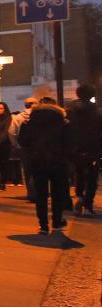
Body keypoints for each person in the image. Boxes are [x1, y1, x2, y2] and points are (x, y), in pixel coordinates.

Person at [18, 98, 70, 233]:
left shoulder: (29, 122)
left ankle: (43, 224)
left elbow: (22, 141)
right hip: (58, 161)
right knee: (57, 193)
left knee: (41, 194)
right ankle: (57, 221)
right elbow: (70, 142)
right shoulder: (63, 122)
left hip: (37, 161)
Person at [66, 85, 102, 215]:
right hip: (93, 149)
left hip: (75, 149)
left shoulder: (70, 112)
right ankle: (88, 205)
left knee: (79, 174)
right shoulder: (98, 112)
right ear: (92, 95)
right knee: (92, 177)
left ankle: (79, 196)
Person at [9, 96, 39, 201]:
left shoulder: (18, 117)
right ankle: (40, 191)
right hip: (40, 147)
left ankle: (31, 192)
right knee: (39, 169)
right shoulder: (41, 116)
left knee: (27, 170)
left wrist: (16, 145)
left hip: (24, 147)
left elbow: (11, 132)